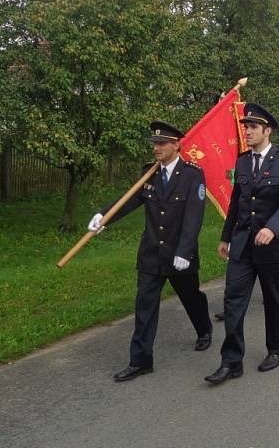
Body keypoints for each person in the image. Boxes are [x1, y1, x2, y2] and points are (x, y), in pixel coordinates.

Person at [88, 121, 212, 382]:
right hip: (152, 253)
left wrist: (185, 250)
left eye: (162, 143)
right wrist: (103, 217)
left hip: (180, 256)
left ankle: (204, 329)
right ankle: (141, 360)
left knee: (191, 297)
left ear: (176, 145)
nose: (156, 148)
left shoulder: (192, 174)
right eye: (154, 143)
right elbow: (129, 199)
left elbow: (194, 215)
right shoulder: (149, 173)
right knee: (144, 306)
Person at [205, 104, 279, 385]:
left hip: (273, 247)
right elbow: (237, 202)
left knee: (275, 301)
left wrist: (273, 227)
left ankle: (276, 349)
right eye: (245, 127)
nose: (247, 131)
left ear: (267, 131)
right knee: (233, 301)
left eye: (253, 127)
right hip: (243, 244)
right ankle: (231, 361)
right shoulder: (243, 161)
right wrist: (225, 236)